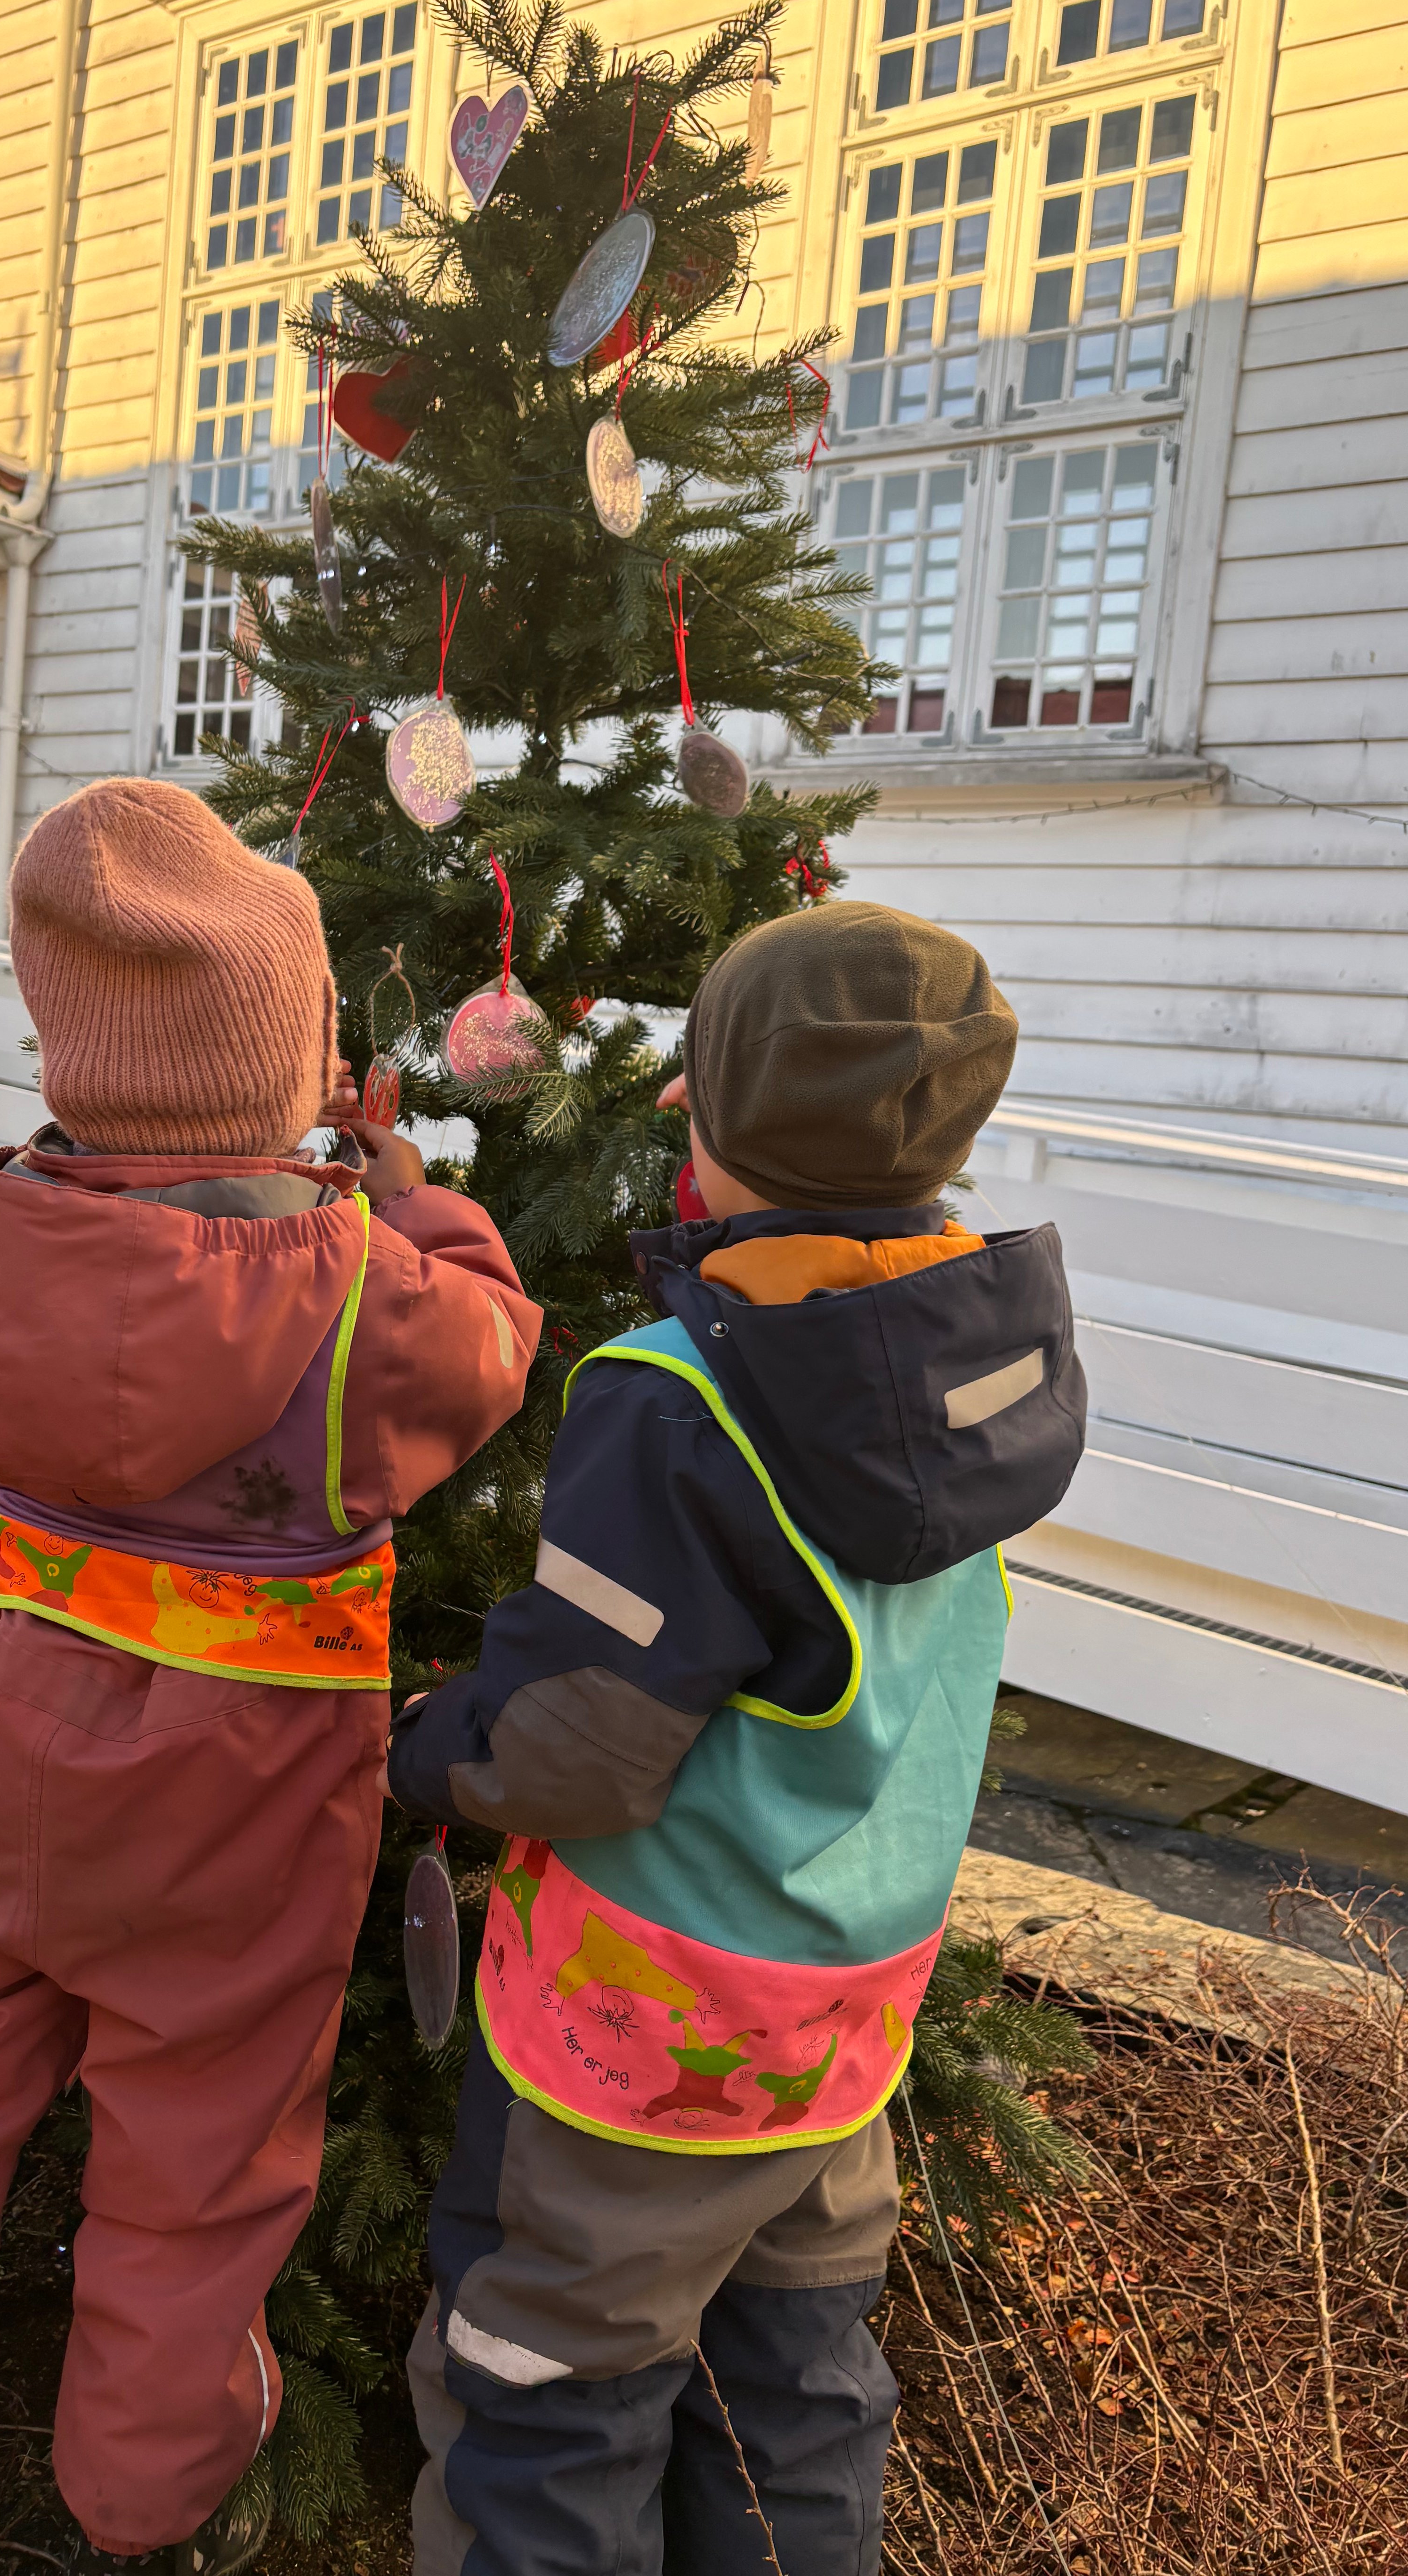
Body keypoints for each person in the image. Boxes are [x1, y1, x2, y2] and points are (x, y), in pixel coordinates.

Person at [0, 780, 542, 2576]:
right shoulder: (360, 1287)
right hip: (233, 1801)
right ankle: (144, 2520)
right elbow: (488, 1359)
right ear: (289, 1062)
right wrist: (425, 1209)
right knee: (198, 2168)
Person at [387, 900, 1086, 2576]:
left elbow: (578, 1746)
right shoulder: (983, 1355)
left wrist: (419, 1750)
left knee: (546, 2383)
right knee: (797, 2386)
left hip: (648, 2030)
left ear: (704, 1128)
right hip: (847, 2014)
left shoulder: (676, 1392)